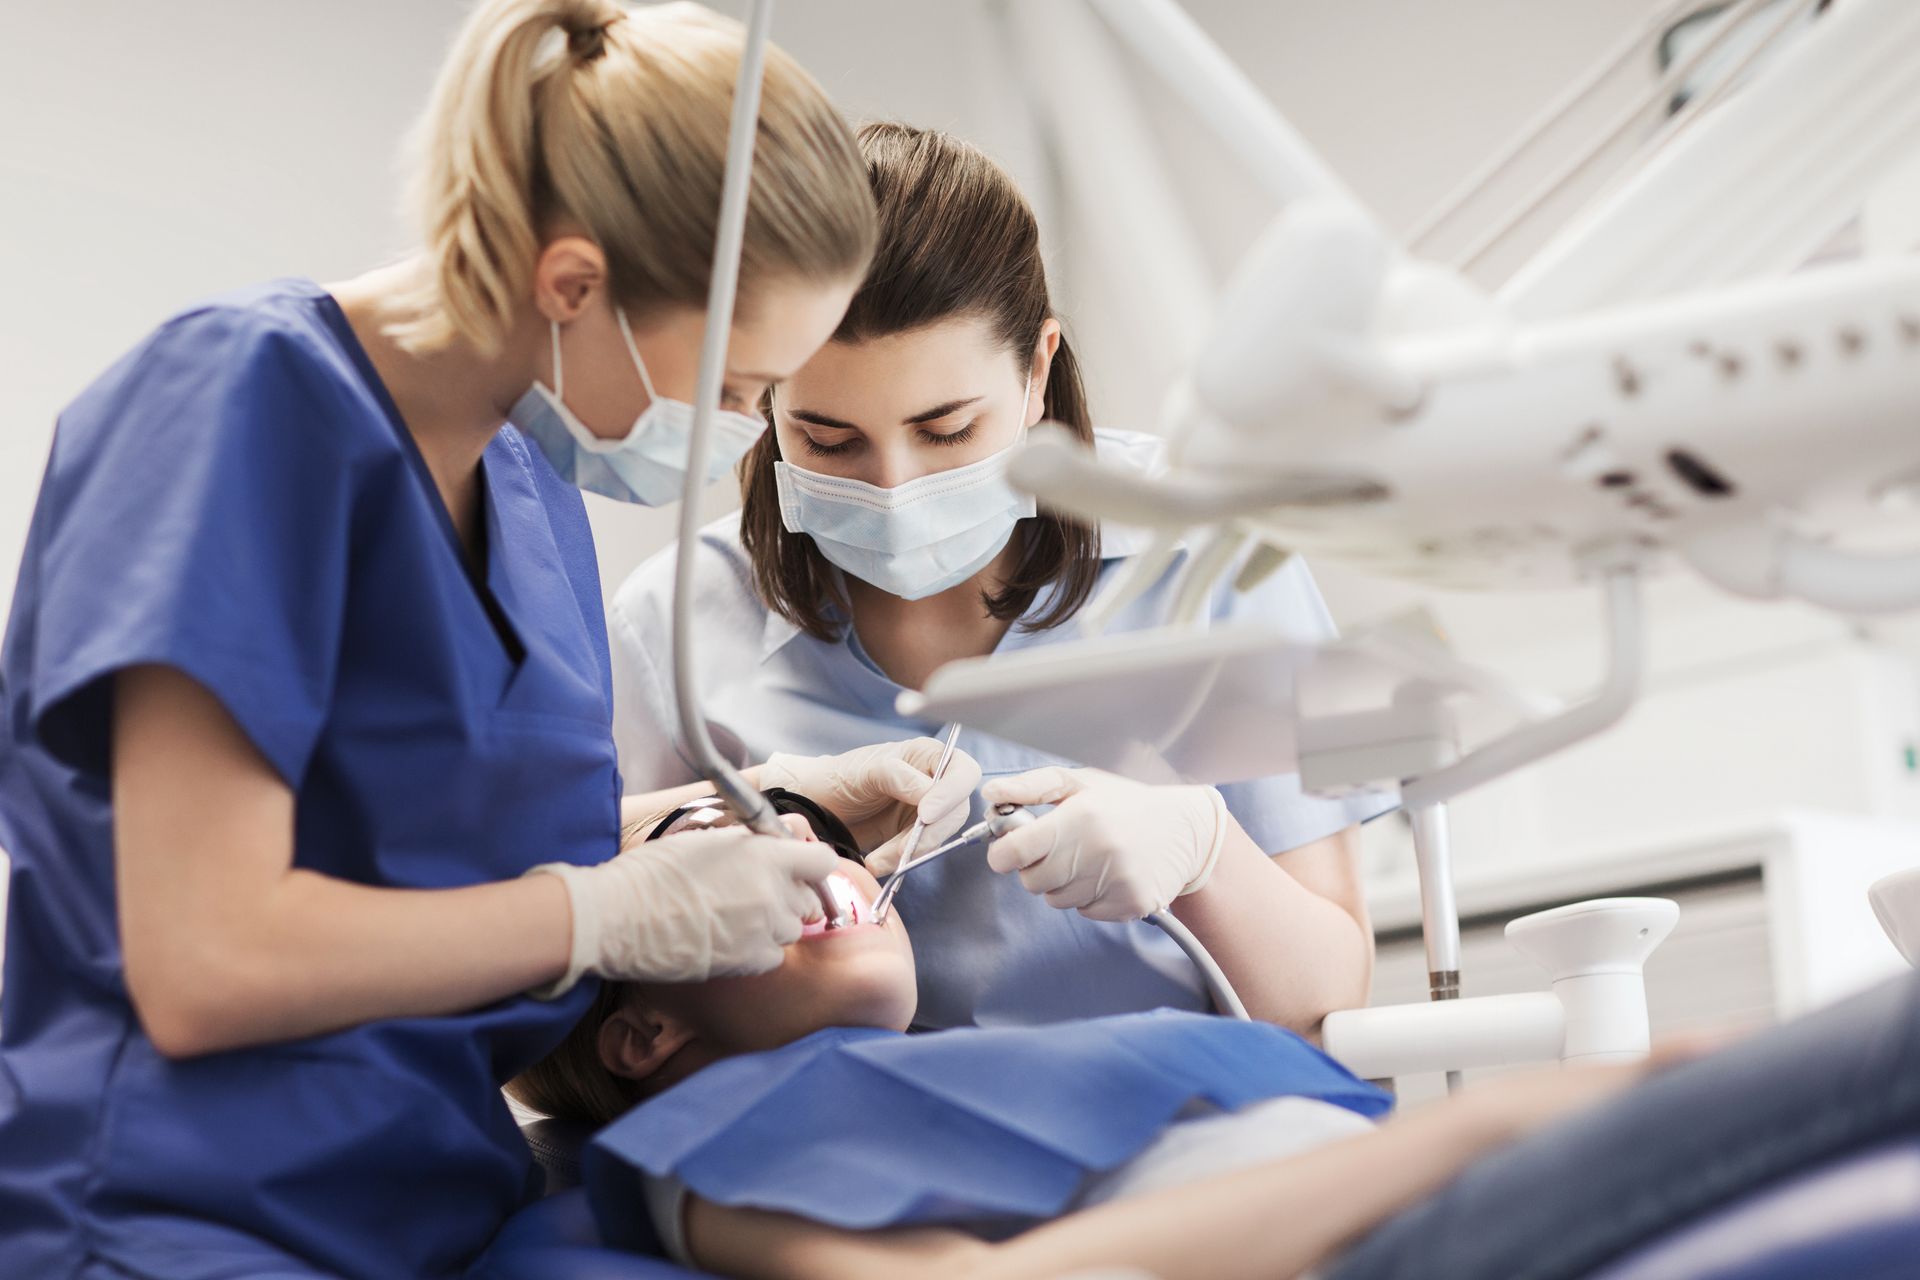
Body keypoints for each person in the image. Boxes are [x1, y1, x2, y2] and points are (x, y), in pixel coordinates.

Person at [0, 4, 980, 1277]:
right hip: (177, 1210)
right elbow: (207, 956)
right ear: (574, 284)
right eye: (737, 390)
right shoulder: (245, 406)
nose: (739, 430)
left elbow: (424, 841)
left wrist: (769, 807)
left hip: (432, 1210)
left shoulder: (526, 485)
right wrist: (605, 912)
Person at [608, 122, 1392, 1035]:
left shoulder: (1214, 557)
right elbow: (593, 992)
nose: (894, 488)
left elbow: (1330, 1001)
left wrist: (1207, 853)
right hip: (857, 1146)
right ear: (762, 398)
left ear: (1038, 372)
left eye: (946, 431)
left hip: (1189, 1121)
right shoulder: (672, 626)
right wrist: (762, 814)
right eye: (828, 439)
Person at [512, 832, 1920, 1280]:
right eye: (715, 861)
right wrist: (1475, 1133)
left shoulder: (933, 1065)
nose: (784, 844)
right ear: (645, 1031)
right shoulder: (691, 1145)